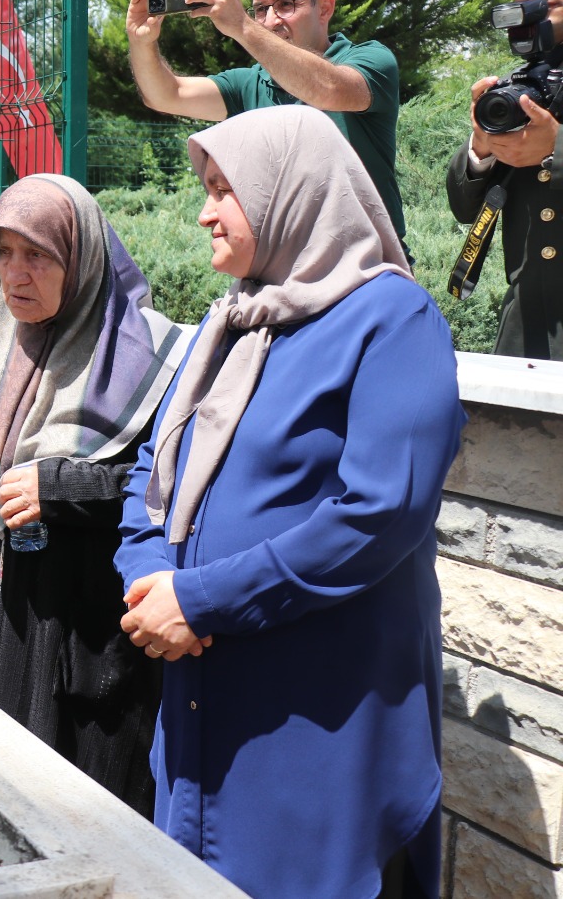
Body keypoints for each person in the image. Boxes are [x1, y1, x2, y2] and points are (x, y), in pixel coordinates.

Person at [115, 106, 465, 898]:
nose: (204, 210)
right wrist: (147, 578)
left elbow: (380, 513)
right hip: (207, 700)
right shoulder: (233, 323)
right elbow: (153, 465)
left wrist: (201, 600)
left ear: (290, 194)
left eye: (222, 190)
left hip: (319, 718)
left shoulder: (391, 319)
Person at [0, 173, 185, 814]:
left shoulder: (144, 360)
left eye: (37, 255)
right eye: (4, 254)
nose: (15, 274)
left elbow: (167, 484)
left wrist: (59, 487)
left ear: (81, 261)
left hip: (81, 633)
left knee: (79, 816)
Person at [127, 0, 408, 247]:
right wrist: (141, 41)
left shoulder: (370, 60)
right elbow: (167, 95)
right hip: (280, 273)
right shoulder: (249, 82)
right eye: (260, 9)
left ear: (325, 8)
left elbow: (327, 89)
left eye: (286, 4)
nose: (271, 20)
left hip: (366, 270)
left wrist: (242, 26)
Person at [447, 0, 563, 359]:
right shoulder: (522, 85)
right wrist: (483, 146)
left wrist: (554, 149)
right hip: (528, 339)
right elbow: (463, 208)